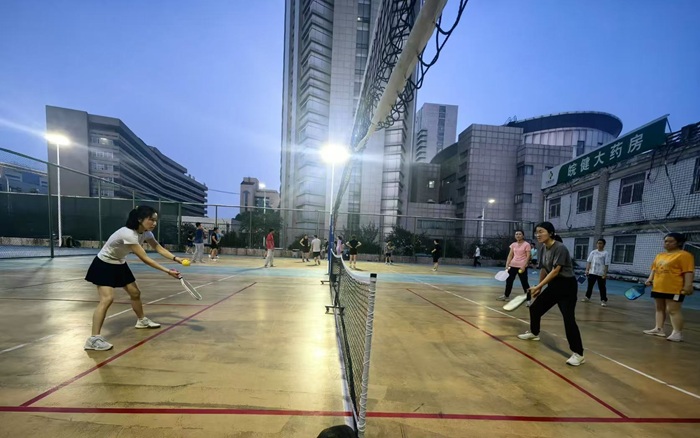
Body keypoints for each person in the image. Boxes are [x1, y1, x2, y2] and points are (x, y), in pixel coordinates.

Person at [83, 206, 183, 351]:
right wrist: (168, 271)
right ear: (140, 219)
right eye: (151, 220)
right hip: (104, 264)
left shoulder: (146, 233)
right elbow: (145, 258)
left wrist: (176, 258)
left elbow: (158, 247)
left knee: (135, 293)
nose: (154, 223)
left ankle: (141, 321)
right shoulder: (128, 234)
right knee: (107, 299)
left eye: (156, 220)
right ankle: (93, 339)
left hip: (119, 263)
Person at [518, 221, 585, 367]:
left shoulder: (560, 248)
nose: (538, 235)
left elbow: (555, 271)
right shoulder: (543, 248)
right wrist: (539, 287)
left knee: (568, 319)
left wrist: (539, 286)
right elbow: (544, 269)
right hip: (554, 285)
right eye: (536, 232)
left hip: (567, 287)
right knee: (535, 308)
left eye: (541, 231)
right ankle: (534, 333)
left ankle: (579, 354)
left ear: (550, 233)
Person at [643, 232, 695, 342]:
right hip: (658, 286)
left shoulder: (684, 255)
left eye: (670, 241)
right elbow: (654, 269)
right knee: (659, 308)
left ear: (679, 243)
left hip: (674, 288)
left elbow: (688, 271)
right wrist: (650, 279)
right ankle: (658, 329)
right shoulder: (660, 255)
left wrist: (688, 285)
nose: (667, 243)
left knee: (673, 310)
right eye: (666, 241)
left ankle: (677, 333)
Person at [498, 230, 532, 305]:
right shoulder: (513, 244)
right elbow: (510, 255)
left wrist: (524, 266)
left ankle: (528, 300)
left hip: (522, 266)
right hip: (512, 265)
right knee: (509, 281)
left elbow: (528, 256)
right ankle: (506, 296)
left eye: (520, 234)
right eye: (516, 234)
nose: (518, 235)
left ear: (523, 236)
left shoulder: (526, 244)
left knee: (524, 283)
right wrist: (507, 264)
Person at [582, 238, 611, 306]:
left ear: (604, 245)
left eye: (601, 243)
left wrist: (605, 274)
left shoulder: (606, 253)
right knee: (590, 286)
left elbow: (606, 264)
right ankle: (587, 297)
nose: (599, 245)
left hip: (601, 273)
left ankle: (603, 300)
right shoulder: (593, 252)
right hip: (592, 272)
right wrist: (587, 270)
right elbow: (589, 261)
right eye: (598, 243)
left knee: (602, 287)